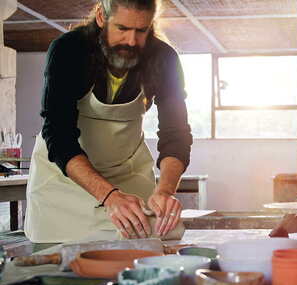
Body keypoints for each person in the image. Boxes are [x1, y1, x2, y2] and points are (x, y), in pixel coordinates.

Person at [24, 0, 192, 243]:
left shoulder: (164, 58)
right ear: (102, 16)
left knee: (158, 239)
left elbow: (176, 134)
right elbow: (59, 135)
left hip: (127, 173)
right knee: (60, 254)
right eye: (122, 28)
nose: (131, 41)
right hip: (65, 179)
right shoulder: (69, 50)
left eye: (141, 30)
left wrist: (165, 191)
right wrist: (110, 196)